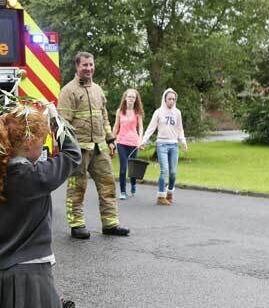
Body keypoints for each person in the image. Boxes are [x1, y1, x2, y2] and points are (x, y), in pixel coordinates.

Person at [0, 103, 81, 308]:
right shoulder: (35, 177)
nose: (43, 146)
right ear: (28, 142)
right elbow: (72, 154)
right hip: (33, 278)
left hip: (1, 278)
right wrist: (55, 119)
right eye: (42, 141)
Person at [57, 51, 130, 239]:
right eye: (85, 65)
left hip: (99, 147)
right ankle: (77, 225)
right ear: (77, 67)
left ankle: (110, 224)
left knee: (108, 185)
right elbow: (61, 123)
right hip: (78, 149)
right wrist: (67, 148)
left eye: (91, 64)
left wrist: (110, 139)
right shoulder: (68, 91)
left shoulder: (97, 89)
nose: (89, 68)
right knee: (77, 187)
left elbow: (103, 116)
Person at [139, 88, 188, 205]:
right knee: (164, 170)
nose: (171, 101)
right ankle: (161, 196)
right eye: (169, 99)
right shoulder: (158, 112)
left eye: (173, 99)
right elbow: (151, 128)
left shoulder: (178, 113)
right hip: (162, 145)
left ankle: (169, 193)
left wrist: (183, 141)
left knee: (173, 172)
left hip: (174, 145)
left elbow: (180, 129)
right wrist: (144, 140)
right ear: (165, 99)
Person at [112, 89, 144, 200]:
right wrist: (112, 140)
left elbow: (140, 127)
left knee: (132, 169)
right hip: (121, 142)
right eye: (129, 97)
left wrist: (140, 140)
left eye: (133, 97)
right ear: (125, 98)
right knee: (123, 168)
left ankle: (133, 184)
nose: (131, 99)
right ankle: (123, 191)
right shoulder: (119, 111)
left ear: (136, 100)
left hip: (134, 143)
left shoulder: (137, 112)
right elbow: (116, 127)